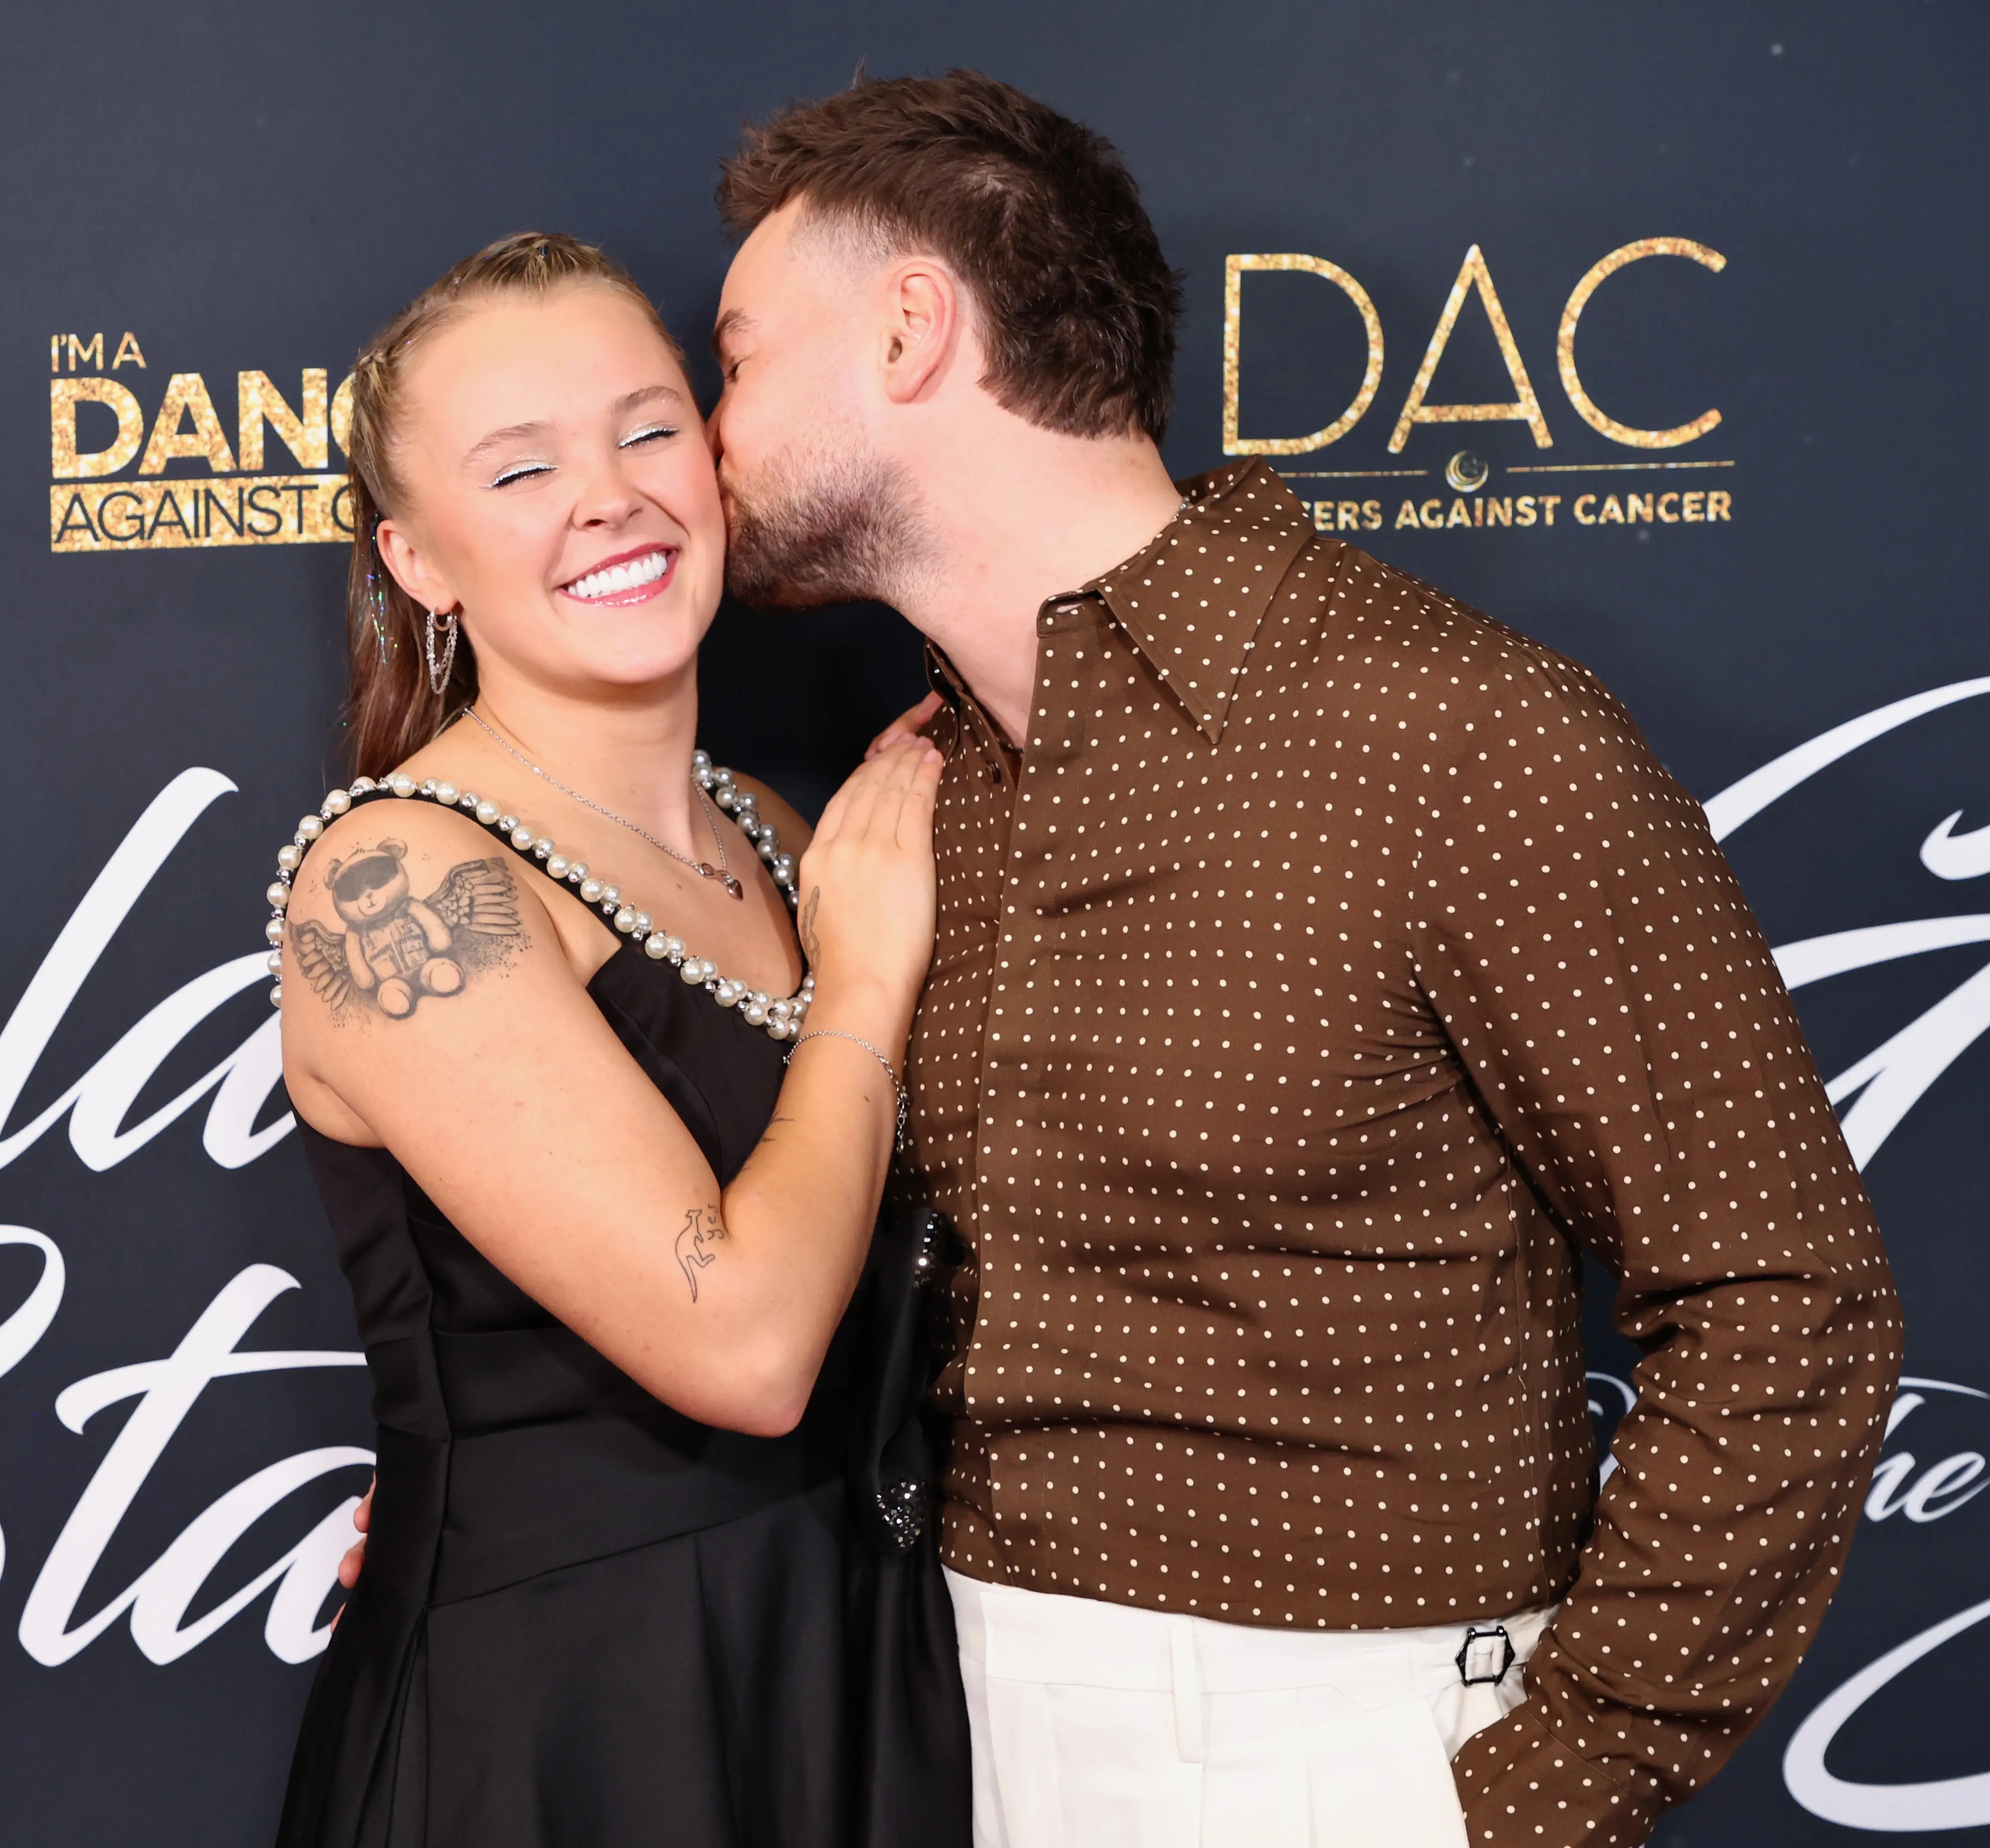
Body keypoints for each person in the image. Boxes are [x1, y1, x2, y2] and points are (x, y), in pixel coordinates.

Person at [703, 71, 1903, 1848]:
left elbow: (1785, 1298)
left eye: (734, 353)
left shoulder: (1452, 735)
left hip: (1342, 1748)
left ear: (909, 327)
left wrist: (1536, 1796)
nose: (703, 426)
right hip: (946, 1722)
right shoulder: (917, 803)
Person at [265, 231, 969, 1848]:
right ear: (419, 559)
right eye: (519, 470)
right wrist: (865, 981)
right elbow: (742, 1348)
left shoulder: (781, 835)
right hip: (570, 1728)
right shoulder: (394, 877)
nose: (609, 496)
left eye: (649, 430)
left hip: (846, 1667)